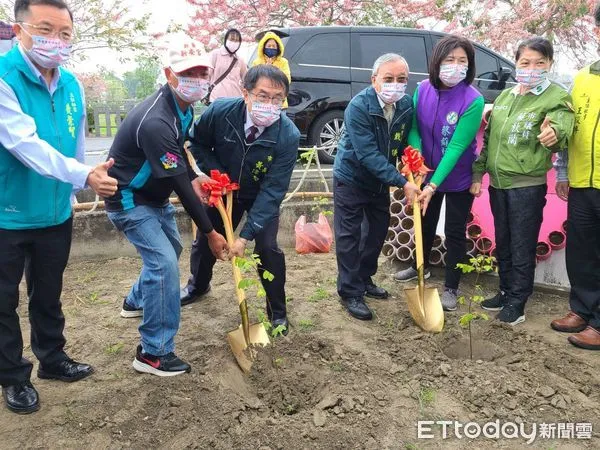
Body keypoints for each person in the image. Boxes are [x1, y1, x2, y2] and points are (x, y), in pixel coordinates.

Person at [0, 0, 118, 414]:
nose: (56, 41)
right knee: (3, 302)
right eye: (46, 30)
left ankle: (52, 359)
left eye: (65, 34)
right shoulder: (3, 77)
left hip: (54, 213)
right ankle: (14, 377)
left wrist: (79, 182)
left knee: (48, 293)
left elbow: (76, 142)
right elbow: (23, 143)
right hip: (7, 213)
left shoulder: (71, 84)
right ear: (20, 30)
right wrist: (82, 176)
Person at [104, 35, 229, 377]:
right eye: (189, 72)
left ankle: (135, 301)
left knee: (169, 250)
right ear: (169, 74)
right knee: (163, 264)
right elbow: (178, 182)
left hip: (153, 196)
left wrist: (197, 175)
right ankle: (153, 352)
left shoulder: (182, 110)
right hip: (129, 199)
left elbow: (179, 160)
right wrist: (210, 231)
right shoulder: (157, 119)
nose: (198, 79)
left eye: (203, 72)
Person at [180, 65, 300, 335]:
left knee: (267, 248)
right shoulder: (221, 112)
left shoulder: (287, 135)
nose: (269, 104)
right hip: (224, 189)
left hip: (260, 193)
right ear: (246, 94)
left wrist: (244, 237)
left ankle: (277, 311)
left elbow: (273, 190)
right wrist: (218, 174)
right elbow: (195, 142)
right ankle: (197, 286)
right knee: (206, 239)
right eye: (262, 96)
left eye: (277, 99)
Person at [471, 37, 574, 325]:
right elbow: (490, 139)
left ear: (550, 64)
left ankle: (518, 301)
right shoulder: (506, 97)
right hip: (498, 184)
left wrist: (555, 131)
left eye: (539, 63)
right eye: (525, 62)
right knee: (503, 241)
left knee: (522, 244)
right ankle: (504, 291)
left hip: (526, 186)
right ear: (516, 64)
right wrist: (479, 172)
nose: (532, 68)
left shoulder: (554, 96)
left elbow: (562, 121)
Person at [394, 36, 485, 312]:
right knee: (424, 221)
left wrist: (433, 184)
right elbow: (414, 129)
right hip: (425, 174)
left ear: (469, 66)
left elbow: (457, 146)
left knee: (455, 231)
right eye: (449, 60)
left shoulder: (473, 100)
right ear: (437, 62)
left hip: (456, 178)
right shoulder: (422, 90)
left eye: (462, 61)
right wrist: (418, 162)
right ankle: (419, 266)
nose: (455, 66)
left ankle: (452, 287)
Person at [333, 53, 420, 321]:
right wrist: (401, 182)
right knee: (349, 237)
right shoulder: (359, 107)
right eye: (389, 78)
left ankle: (364, 278)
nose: (396, 84)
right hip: (352, 177)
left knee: (377, 231)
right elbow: (368, 154)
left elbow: (406, 141)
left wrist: (412, 165)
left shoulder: (405, 105)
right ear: (374, 80)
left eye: (401, 79)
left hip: (380, 181)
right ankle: (349, 291)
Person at [551, 2, 600, 350]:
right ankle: (582, 309)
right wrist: (564, 171)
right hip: (583, 180)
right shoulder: (582, 77)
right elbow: (569, 129)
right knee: (581, 250)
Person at [206, 28, 247, 103]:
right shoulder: (216, 54)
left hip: (235, 100)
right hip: (216, 99)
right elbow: (207, 75)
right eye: (231, 39)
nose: (234, 42)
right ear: (225, 40)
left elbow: (246, 79)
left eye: (236, 40)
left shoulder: (240, 60)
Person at [252, 31, 291, 108]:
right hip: (261, 103)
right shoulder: (257, 62)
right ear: (263, 47)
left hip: (279, 103)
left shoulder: (283, 62)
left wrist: (272, 71)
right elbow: (253, 80)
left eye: (274, 46)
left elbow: (287, 80)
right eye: (269, 46)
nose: (271, 48)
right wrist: (265, 70)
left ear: (278, 47)